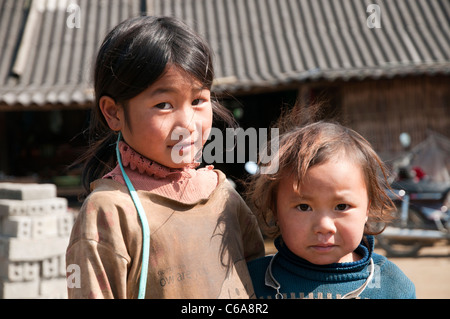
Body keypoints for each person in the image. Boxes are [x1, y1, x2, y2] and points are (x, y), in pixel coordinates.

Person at [66, 16, 264, 299]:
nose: (187, 123)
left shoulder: (222, 195)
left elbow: (259, 282)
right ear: (113, 112)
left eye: (198, 101)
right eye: (163, 105)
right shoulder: (109, 212)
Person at [246, 105, 416, 299]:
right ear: (275, 210)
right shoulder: (250, 282)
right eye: (304, 207)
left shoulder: (392, 286)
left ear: (367, 207)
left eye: (341, 206)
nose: (324, 227)